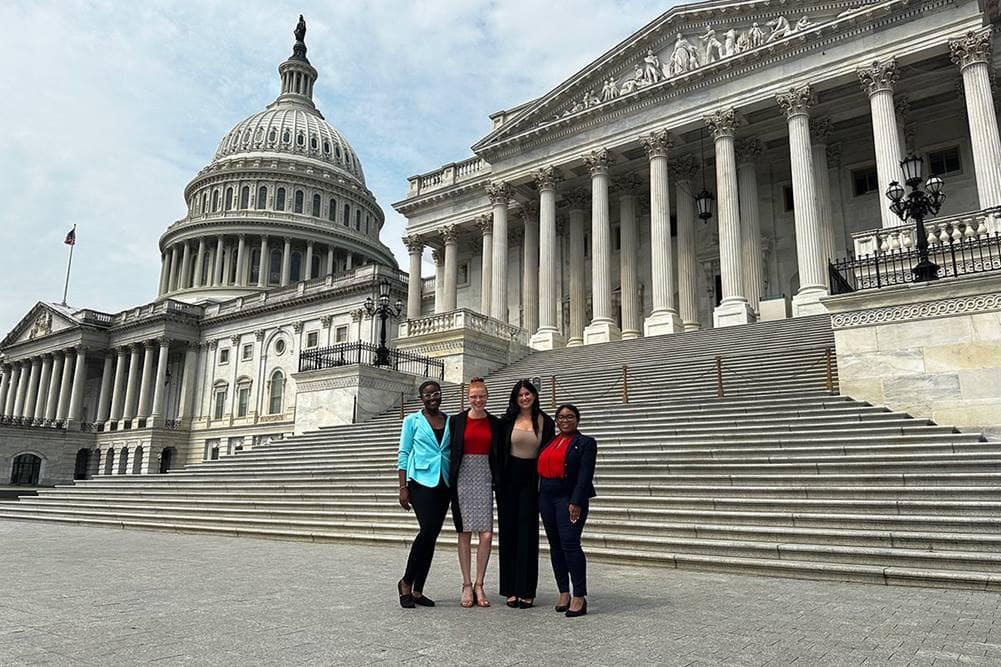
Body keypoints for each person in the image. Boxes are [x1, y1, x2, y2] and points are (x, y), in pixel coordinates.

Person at [496, 379, 555, 609]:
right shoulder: (507, 421)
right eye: (520, 395)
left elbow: (548, 451)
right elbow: (499, 451)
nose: (524, 398)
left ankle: (527, 589)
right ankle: (510, 589)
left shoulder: (545, 421)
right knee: (509, 532)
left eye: (527, 393)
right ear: (515, 398)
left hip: (532, 479)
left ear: (534, 395)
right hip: (509, 479)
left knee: (528, 534)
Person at [538, 404, 596, 618]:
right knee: (555, 546)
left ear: (577, 419)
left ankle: (579, 595)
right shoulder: (551, 441)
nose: (565, 420)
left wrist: (577, 501)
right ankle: (564, 591)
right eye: (561, 417)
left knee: (570, 544)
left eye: (570, 417)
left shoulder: (585, 443)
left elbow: (585, 475)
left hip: (568, 499)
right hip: (546, 497)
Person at [397, 380, 451, 609]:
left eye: (436, 394)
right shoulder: (412, 421)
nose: (432, 398)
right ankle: (406, 582)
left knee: (432, 536)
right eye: (428, 395)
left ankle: (419, 590)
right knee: (427, 530)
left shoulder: (449, 420)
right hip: (419, 482)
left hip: (444, 482)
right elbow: (404, 452)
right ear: (422, 398)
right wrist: (403, 487)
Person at [449, 377, 502, 608]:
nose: (478, 400)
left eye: (481, 396)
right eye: (473, 396)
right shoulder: (457, 421)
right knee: (464, 533)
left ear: (487, 397)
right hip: (463, 476)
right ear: (468, 398)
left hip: (485, 475)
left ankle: (480, 583)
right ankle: (467, 584)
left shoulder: (495, 423)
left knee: (487, 534)